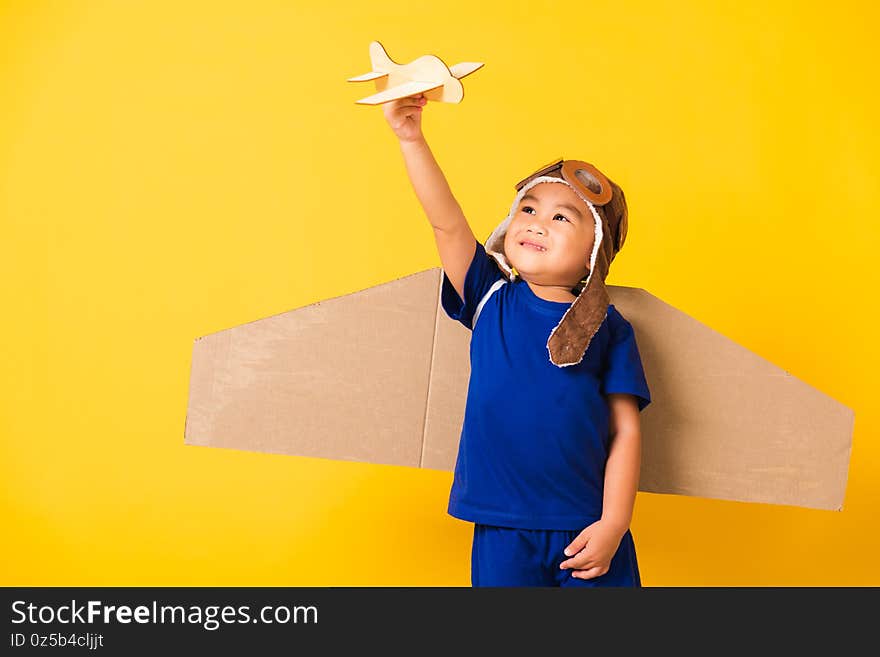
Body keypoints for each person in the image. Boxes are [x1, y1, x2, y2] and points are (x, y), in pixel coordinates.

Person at [384, 93, 651, 587]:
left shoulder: (610, 328)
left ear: (594, 252)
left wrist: (614, 524)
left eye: (560, 217)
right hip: (502, 527)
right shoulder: (489, 297)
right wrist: (411, 138)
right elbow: (446, 222)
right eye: (528, 207)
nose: (535, 221)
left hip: (587, 528)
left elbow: (626, 433)